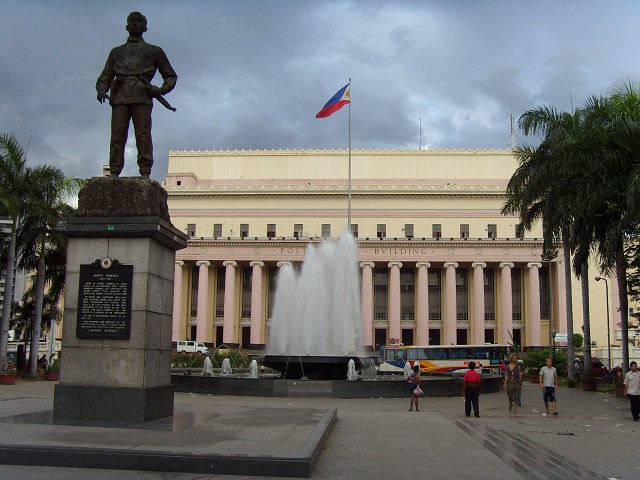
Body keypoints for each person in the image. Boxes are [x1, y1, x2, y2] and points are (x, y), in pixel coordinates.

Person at [96, 12, 178, 178]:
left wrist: (160, 89)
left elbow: (170, 76)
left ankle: (145, 171)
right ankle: (114, 171)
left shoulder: (154, 51)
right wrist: (102, 90)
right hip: (119, 96)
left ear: (145, 27)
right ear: (126, 26)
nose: (135, 24)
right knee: (117, 135)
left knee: (143, 135)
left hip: (142, 95)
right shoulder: (116, 52)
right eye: (131, 21)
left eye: (138, 21)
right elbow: (105, 75)